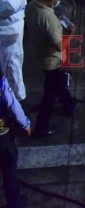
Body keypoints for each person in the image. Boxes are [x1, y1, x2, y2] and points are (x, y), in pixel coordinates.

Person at [25, 0, 76, 137]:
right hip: (51, 60)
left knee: (58, 84)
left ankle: (69, 105)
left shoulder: (32, 5)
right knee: (50, 94)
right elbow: (60, 46)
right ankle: (41, 126)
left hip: (39, 53)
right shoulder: (49, 19)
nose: (59, 1)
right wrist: (71, 33)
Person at [0, 74, 31, 208]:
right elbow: (12, 104)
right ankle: (15, 204)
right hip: (2, 138)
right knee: (9, 171)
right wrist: (25, 125)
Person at [0, 0, 27, 101]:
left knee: (11, 65)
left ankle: (17, 98)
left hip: (9, 31)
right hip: (7, 29)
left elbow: (5, 8)